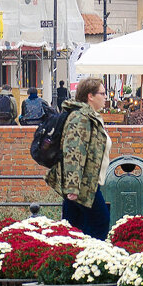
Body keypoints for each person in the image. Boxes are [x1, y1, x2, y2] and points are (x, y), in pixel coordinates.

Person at [46, 77, 112, 240]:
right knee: (100, 222)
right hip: (83, 185)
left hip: (86, 182)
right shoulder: (81, 118)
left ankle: (74, 255)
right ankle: (93, 255)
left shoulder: (90, 117)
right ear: (90, 96)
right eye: (102, 93)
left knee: (74, 229)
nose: (105, 97)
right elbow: (73, 152)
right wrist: (73, 187)